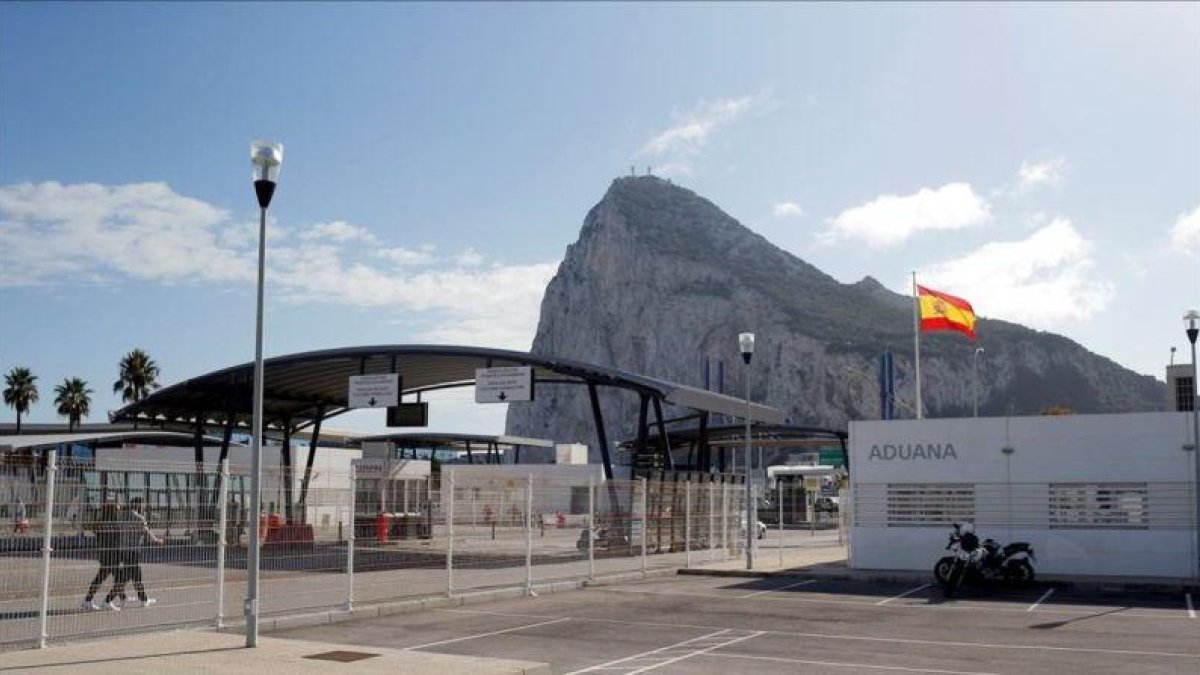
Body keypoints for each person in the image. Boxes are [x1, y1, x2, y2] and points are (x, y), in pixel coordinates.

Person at [105, 497, 163, 610]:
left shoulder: (122, 517)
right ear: (138, 505)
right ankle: (108, 600)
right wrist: (157, 540)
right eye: (142, 505)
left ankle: (143, 599)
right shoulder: (139, 518)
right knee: (128, 577)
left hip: (123, 550)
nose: (143, 507)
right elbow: (147, 532)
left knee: (135, 576)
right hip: (133, 551)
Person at [81, 499, 122, 611]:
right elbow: (117, 539)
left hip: (104, 554)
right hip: (113, 554)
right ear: (113, 510)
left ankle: (88, 601)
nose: (119, 510)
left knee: (100, 578)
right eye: (118, 508)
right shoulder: (114, 523)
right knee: (121, 579)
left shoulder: (101, 522)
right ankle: (107, 601)